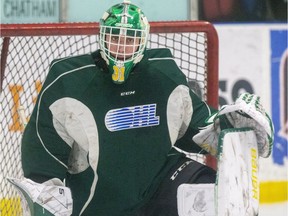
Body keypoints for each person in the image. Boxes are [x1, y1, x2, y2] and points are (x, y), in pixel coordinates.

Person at [20, 1, 274, 215]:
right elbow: (43, 147)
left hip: (160, 182)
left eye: (129, 39)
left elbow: (198, 127)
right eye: (114, 38)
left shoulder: (163, 73)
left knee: (209, 194)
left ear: (143, 41)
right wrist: (45, 189)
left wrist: (230, 127)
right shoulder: (68, 81)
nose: (121, 47)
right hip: (101, 203)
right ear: (101, 37)